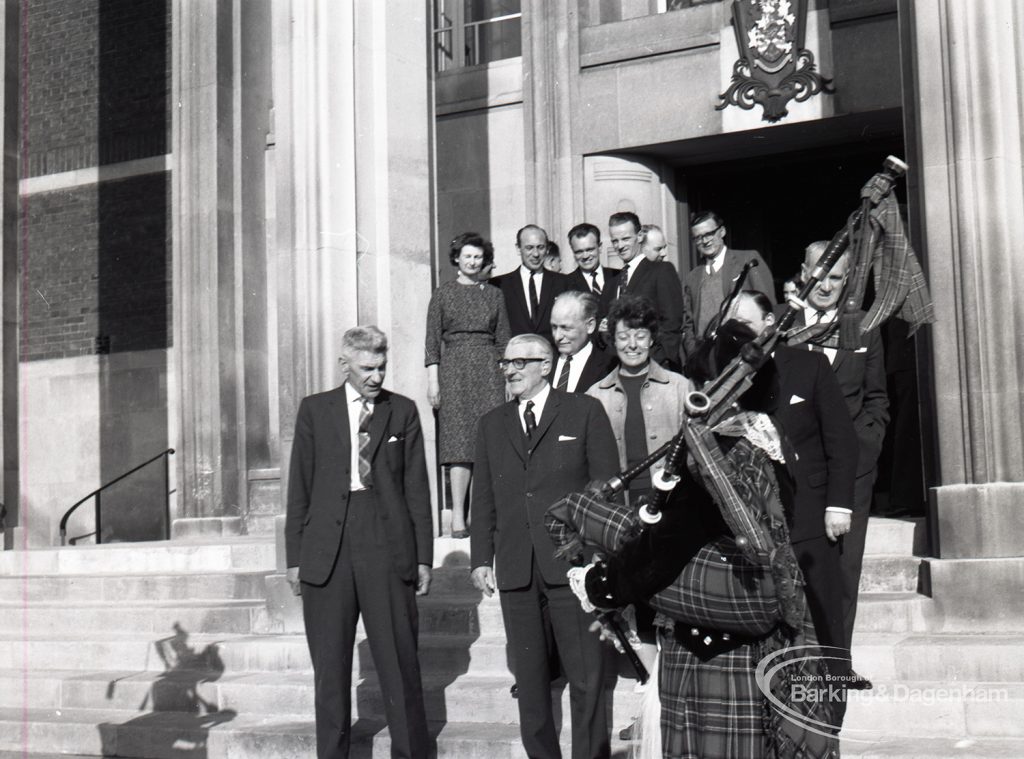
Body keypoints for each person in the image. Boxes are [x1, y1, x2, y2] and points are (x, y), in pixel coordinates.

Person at [285, 326, 433, 759]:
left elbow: (417, 489)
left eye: (382, 367)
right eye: (367, 368)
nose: (376, 376)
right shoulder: (315, 410)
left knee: (399, 666)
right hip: (326, 547)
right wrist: (295, 557)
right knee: (329, 673)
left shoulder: (402, 411)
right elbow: (300, 486)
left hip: (386, 542)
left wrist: (423, 557)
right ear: (344, 364)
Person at [471, 334, 619, 759]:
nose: (511, 370)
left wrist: (594, 555)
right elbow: (483, 498)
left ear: (547, 365)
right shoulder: (492, 423)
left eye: (521, 362)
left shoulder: (583, 411)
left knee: (587, 677)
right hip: (517, 567)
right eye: (506, 362)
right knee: (531, 683)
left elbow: (604, 489)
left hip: (571, 568)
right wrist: (481, 557)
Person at [729, 290, 859, 689]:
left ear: (771, 323)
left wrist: (838, 505)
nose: (737, 335)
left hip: (811, 516)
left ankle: (833, 713)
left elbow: (841, 440)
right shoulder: (725, 375)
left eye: (746, 325)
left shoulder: (809, 365)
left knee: (825, 626)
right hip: (755, 526)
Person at [791, 241, 890, 685]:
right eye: (820, 274)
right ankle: (796, 664)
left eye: (836, 277)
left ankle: (836, 668)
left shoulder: (863, 329)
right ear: (803, 272)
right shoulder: (784, 327)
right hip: (797, 473)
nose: (826, 285)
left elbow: (877, 400)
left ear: (847, 280)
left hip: (851, 473)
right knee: (799, 570)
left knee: (846, 571)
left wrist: (862, 449)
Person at [426, 232, 511, 538]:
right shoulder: (442, 294)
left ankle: (480, 514)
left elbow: (504, 341)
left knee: (487, 443)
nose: (473, 261)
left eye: (478, 256)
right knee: (458, 445)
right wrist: (433, 382)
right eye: (468, 256)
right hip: (455, 370)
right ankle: (458, 517)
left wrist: (508, 379)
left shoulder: (495, 295)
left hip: (489, 369)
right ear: (457, 260)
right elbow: (432, 344)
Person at [682, 210, 775, 358]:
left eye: (709, 234)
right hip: (706, 358)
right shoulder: (692, 277)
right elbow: (688, 325)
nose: (705, 241)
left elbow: (768, 306)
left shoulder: (748, 260)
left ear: (722, 231)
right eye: (698, 238)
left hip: (743, 353)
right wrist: (694, 354)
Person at [609, 212, 685, 372]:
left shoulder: (661, 270)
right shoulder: (613, 281)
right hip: (619, 369)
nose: (620, 245)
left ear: (639, 237)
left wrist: (657, 361)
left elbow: (672, 323)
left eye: (625, 239)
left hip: (654, 367)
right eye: (615, 241)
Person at [491, 224, 568, 343]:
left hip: (552, 356)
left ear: (547, 249)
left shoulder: (563, 282)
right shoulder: (500, 285)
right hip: (516, 357)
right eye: (529, 248)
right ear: (518, 248)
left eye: (540, 247)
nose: (536, 254)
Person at [548, 290, 617, 394]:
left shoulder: (611, 367)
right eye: (554, 327)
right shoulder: (542, 359)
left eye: (566, 328)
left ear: (590, 326)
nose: (557, 336)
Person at [564, 222, 620, 325]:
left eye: (590, 249)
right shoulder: (565, 284)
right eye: (579, 252)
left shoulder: (618, 276)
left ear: (600, 247)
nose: (585, 256)